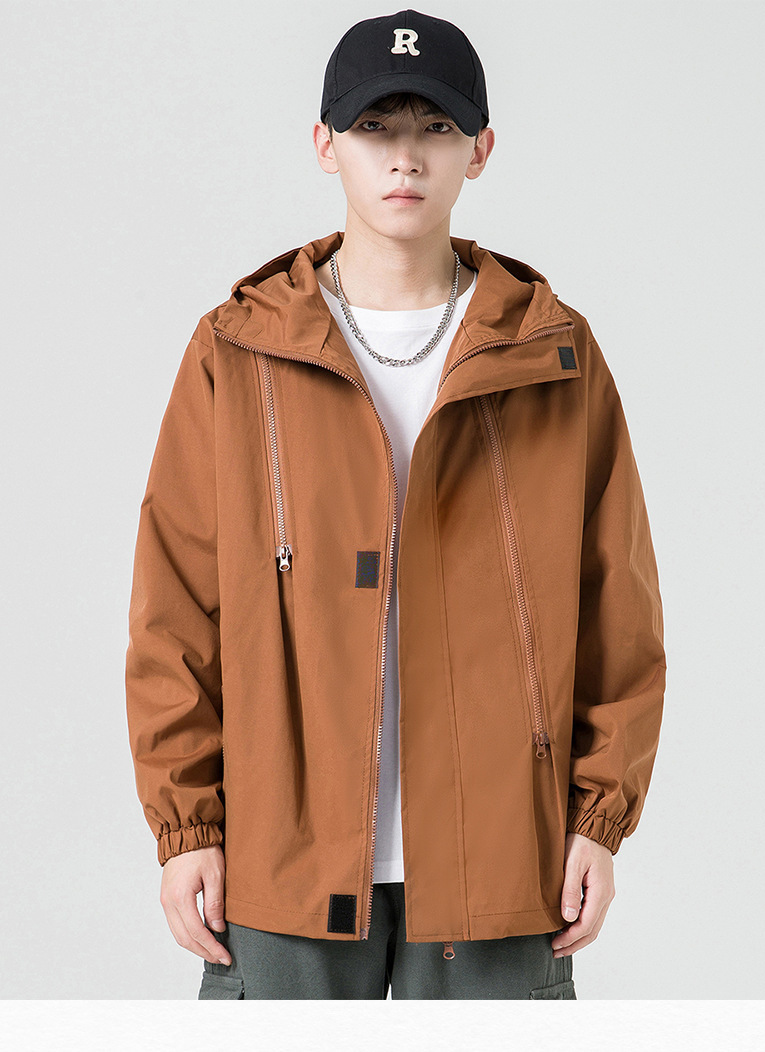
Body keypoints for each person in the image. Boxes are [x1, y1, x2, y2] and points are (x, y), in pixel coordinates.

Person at [125, 9, 666, 1000]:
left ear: (480, 150)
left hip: (503, 857)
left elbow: (618, 611)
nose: (405, 156)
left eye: (435, 127)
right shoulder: (238, 351)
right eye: (375, 127)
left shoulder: (553, 353)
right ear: (325, 143)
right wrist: (186, 826)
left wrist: (597, 817)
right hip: (281, 862)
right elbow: (176, 608)